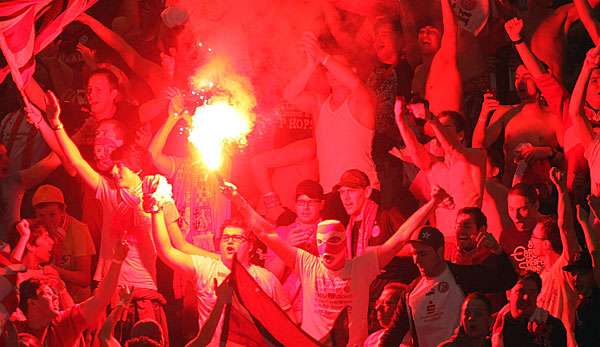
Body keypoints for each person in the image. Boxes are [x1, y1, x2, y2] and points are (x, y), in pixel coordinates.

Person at [228, 182, 454, 346]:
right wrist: (236, 197)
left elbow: (401, 236)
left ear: (345, 242)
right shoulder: (307, 263)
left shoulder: (362, 265)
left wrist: (433, 202)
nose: (326, 247)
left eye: (333, 240)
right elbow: (265, 232)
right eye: (320, 242)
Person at [37, 91, 171, 342]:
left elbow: (170, 241)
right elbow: (76, 161)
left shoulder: (155, 188)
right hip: (107, 291)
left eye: (120, 165)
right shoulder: (109, 191)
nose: (115, 169)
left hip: (142, 291)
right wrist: (56, 122)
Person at [142, 174, 291, 346]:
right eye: (225, 237)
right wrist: (156, 209)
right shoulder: (206, 268)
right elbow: (166, 251)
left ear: (250, 246)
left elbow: (289, 324)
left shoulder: (266, 279)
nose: (229, 241)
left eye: (236, 238)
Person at [379, 225, 517, 347]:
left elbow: (507, 280)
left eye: (423, 254)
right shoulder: (410, 292)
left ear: (440, 252)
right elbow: (394, 333)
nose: (416, 260)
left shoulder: (462, 276)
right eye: (414, 254)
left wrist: (498, 251)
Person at [473, 18, 564, 191]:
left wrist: (548, 152)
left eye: (527, 77)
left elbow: (569, 160)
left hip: (543, 195)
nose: (520, 82)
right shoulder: (505, 112)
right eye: (516, 78)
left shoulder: (553, 116)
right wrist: (484, 115)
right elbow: (478, 145)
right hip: (511, 192)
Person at [283, 31, 377, 192]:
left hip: (362, 191)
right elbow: (289, 95)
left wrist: (323, 57)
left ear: (352, 70)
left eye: (335, 67)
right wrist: (310, 66)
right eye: (327, 69)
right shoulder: (319, 105)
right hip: (330, 191)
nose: (330, 72)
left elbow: (354, 83)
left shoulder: (361, 101)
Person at [395, 97, 486, 258]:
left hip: (469, 243)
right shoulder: (438, 167)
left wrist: (431, 118)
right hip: (443, 244)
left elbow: (453, 149)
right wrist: (400, 120)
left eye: (446, 127)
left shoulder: (475, 157)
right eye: (437, 127)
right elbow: (416, 153)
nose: (439, 131)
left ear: (460, 134)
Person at [14, 240, 129, 347]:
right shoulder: (14, 330)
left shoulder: (65, 322)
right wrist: (24, 237)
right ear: (32, 303)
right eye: (48, 293)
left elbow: (100, 299)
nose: (55, 296)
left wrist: (117, 261)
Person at [529, 168, 580, 347]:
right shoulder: (541, 278)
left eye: (534, 237)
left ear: (547, 243)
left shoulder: (565, 267)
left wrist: (562, 191)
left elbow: (566, 227)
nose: (530, 240)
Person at [264, 179, 324, 323]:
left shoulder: (331, 232)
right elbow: (270, 278)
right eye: (301, 202)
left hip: (320, 313)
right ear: (295, 205)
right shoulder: (280, 233)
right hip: (286, 312)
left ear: (322, 204)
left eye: (311, 202)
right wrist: (288, 248)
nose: (306, 207)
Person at [31, 184, 96, 303]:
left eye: (52, 215)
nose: (47, 221)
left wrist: (53, 270)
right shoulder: (35, 230)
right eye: (41, 216)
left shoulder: (79, 231)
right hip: (50, 300)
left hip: (77, 301)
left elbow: (85, 279)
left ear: (63, 211)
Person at [491, 272, 567, 347]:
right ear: (508, 294)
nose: (526, 297)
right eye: (521, 291)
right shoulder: (494, 325)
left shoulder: (553, 326)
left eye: (532, 292)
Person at [567, 194, 600, 347]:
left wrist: (584, 224)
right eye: (574, 274)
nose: (575, 279)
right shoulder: (581, 306)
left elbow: (595, 255)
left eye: (582, 274)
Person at [501, 183, 545, 273]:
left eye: (522, 209)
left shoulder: (551, 229)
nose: (515, 216)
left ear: (536, 205)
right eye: (511, 209)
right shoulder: (507, 235)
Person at [363, 282, 405, 347]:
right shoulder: (372, 340)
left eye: (387, 303)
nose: (378, 308)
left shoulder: (414, 339)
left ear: (401, 307)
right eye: (378, 302)